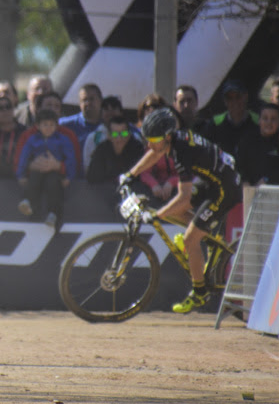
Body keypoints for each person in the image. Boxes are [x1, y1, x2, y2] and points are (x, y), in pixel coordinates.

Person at [120, 108, 242, 314]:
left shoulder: (181, 152)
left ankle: (199, 292)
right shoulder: (173, 141)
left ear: (167, 137)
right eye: (147, 139)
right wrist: (131, 174)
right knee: (175, 212)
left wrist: (158, 215)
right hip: (214, 180)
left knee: (189, 239)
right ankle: (209, 238)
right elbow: (153, 152)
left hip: (224, 190)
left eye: (154, 139)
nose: (149, 144)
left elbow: (184, 199)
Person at [16, 109, 76, 227]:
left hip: (54, 172)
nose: (48, 128)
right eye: (45, 125)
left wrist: (69, 176)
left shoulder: (62, 140)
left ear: (56, 126)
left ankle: (53, 214)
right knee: (33, 179)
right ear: (38, 126)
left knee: (54, 186)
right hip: (37, 169)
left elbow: (70, 159)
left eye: (51, 125)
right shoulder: (33, 140)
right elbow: (24, 157)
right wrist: (21, 175)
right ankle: (28, 202)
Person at [82, 95, 142, 175]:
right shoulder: (93, 138)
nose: (110, 112)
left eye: (114, 108)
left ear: (121, 112)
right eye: (106, 109)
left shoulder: (135, 137)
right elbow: (87, 167)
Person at [200, 79, 259, 157]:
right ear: (224, 101)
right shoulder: (215, 123)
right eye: (229, 98)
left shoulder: (259, 122)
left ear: (246, 96)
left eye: (238, 97)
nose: (234, 102)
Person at [236, 103, 279, 186]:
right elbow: (239, 166)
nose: (269, 122)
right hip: (248, 191)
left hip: (276, 191)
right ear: (259, 120)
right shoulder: (247, 141)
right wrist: (244, 181)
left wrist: (268, 180)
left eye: (273, 119)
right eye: (265, 118)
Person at [86, 115, 145, 183]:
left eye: (123, 133)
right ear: (109, 136)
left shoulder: (138, 149)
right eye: (115, 134)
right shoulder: (101, 149)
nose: (119, 138)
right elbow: (92, 178)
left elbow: (142, 176)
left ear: (129, 134)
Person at [0, 95, 26, 177]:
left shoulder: (24, 132)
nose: (5, 110)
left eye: (8, 107)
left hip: (18, 179)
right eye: (0, 108)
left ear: (13, 109)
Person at [59, 83, 103, 147]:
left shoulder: (109, 124)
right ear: (79, 103)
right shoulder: (64, 125)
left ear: (100, 100)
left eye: (91, 99)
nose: (88, 103)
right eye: (84, 100)